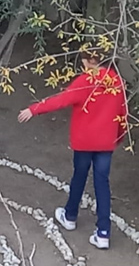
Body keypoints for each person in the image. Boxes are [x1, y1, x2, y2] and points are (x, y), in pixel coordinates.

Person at [18, 52, 127, 249]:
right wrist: (119, 136)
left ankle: (70, 216)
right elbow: (123, 113)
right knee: (102, 182)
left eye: (85, 61)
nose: (83, 65)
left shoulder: (86, 81)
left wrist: (34, 109)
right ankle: (103, 232)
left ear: (92, 60)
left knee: (80, 176)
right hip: (105, 142)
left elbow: (62, 99)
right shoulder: (116, 82)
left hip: (84, 141)